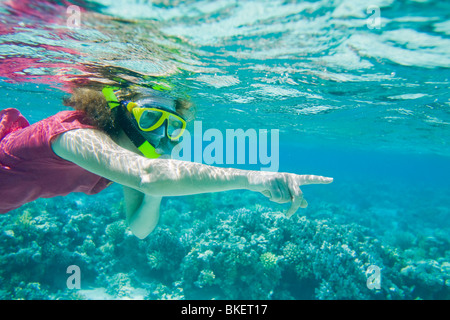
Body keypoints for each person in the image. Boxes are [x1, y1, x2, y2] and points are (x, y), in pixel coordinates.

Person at [0, 86, 333, 239]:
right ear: (119, 113)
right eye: (150, 120)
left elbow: (140, 229)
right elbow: (147, 175)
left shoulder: (124, 154)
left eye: (174, 127)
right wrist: (253, 179)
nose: (162, 138)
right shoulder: (73, 134)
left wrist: (157, 189)